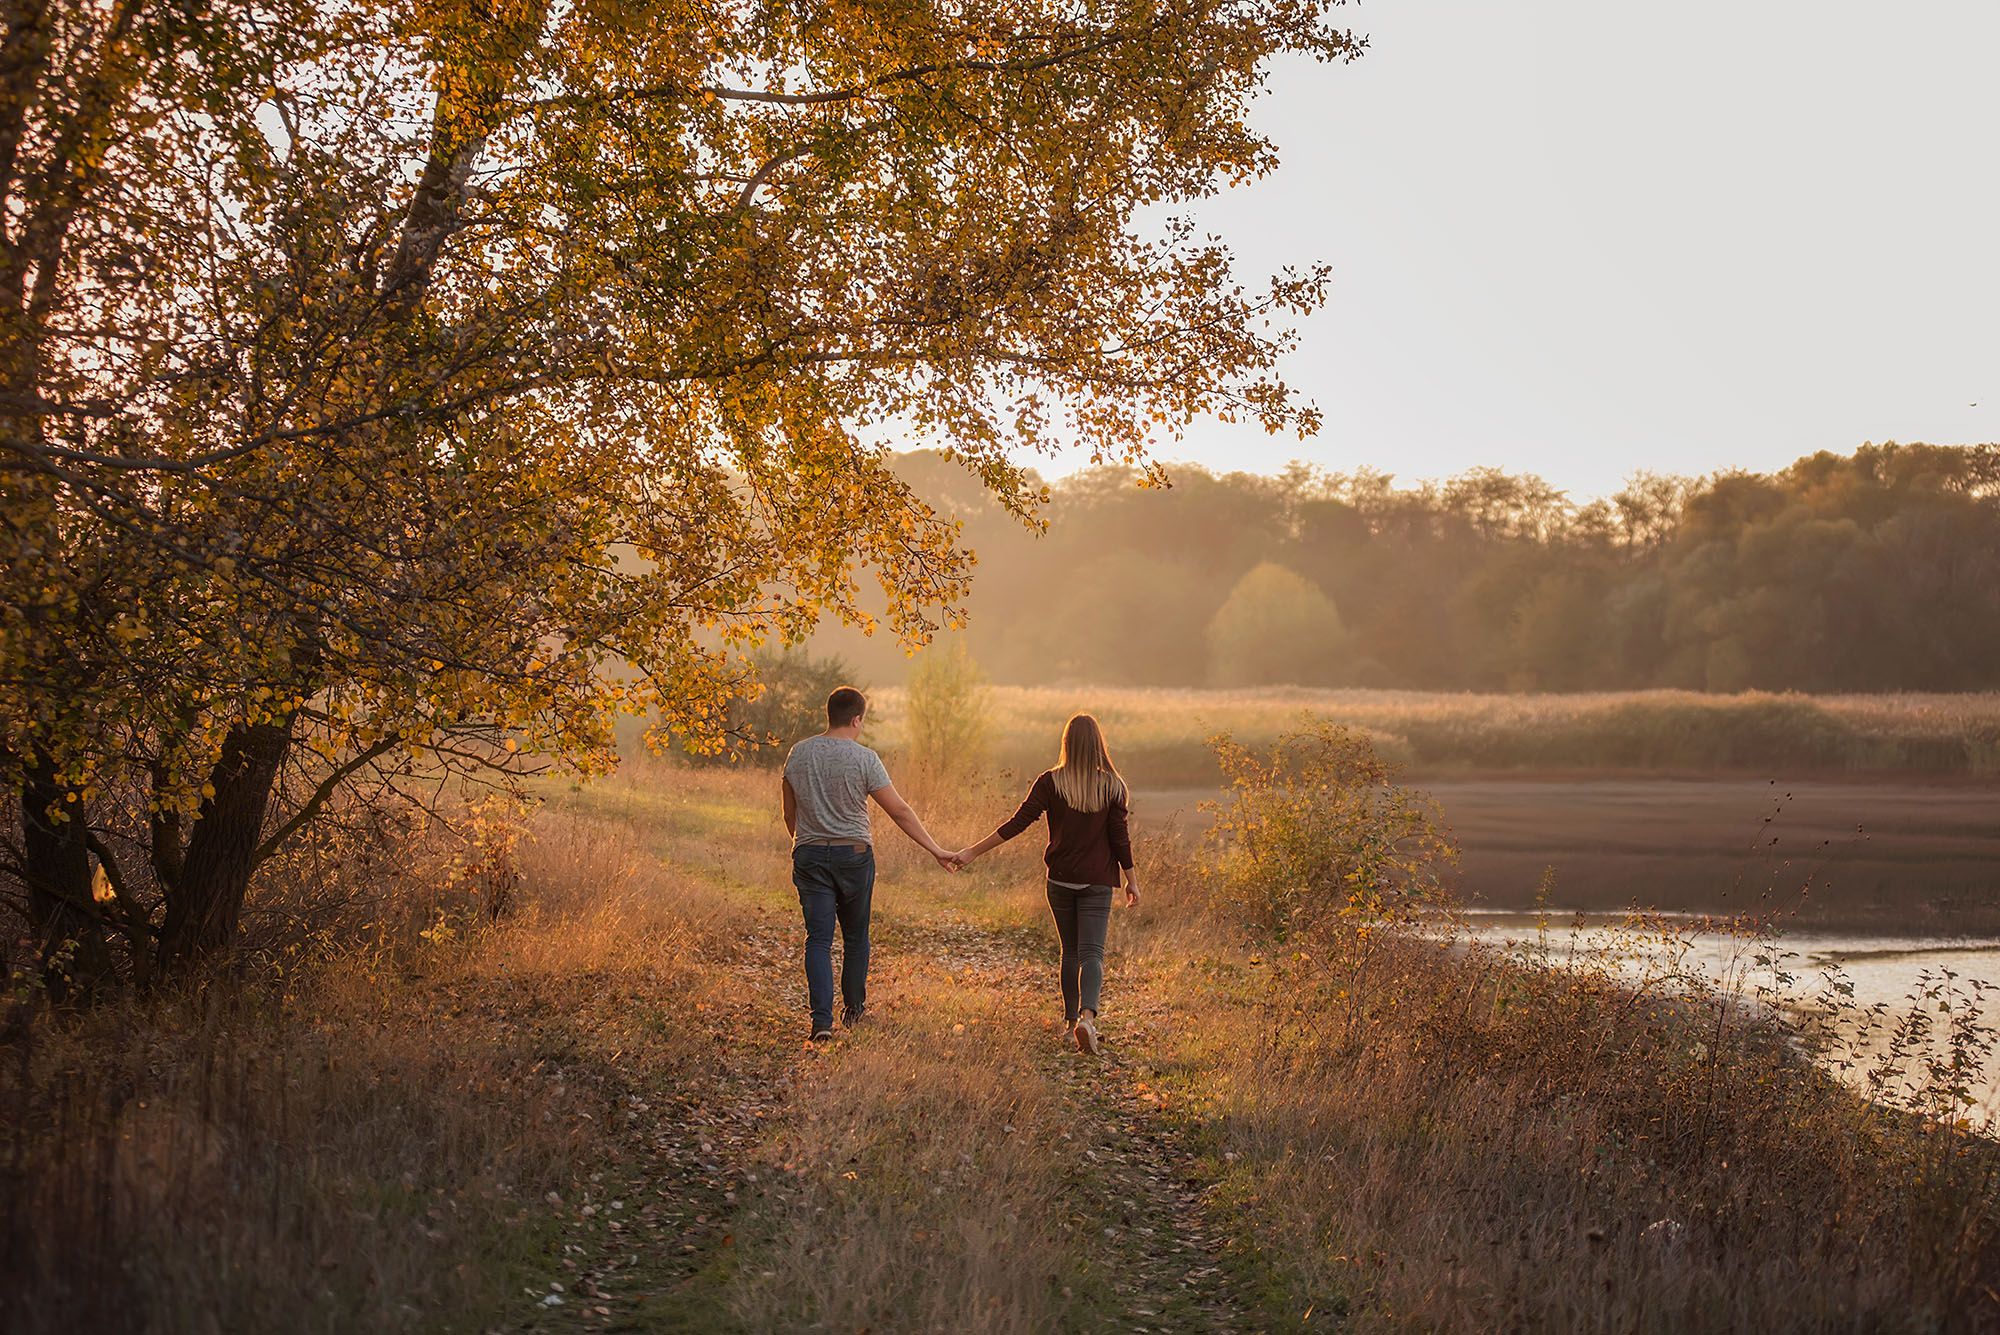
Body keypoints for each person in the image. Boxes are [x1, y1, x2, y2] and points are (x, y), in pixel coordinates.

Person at [952, 713, 1138, 1054]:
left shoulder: (1051, 782)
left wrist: (972, 852)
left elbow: (1017, 823)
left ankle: (1069, 1027)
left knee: (1070, 951)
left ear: (1065, 743)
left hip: (1061, 880)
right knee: (1092, 953)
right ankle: (1087, 1020)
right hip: (1097, 881)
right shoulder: (1113, 785)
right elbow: (1120, 839)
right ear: (1099, 745)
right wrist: (1131, 881)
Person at [782, 685, 956, 1042]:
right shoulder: (864, 758)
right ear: (857, 719)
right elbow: (900, 811)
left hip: (810, 854)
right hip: (854, 857)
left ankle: (821, 1022)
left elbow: (789, 812)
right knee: (856, 937)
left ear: (828, 715)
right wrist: (936, 849)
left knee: (817, 939)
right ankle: (854, 1012)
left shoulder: (798, 754)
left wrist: (802, 844)